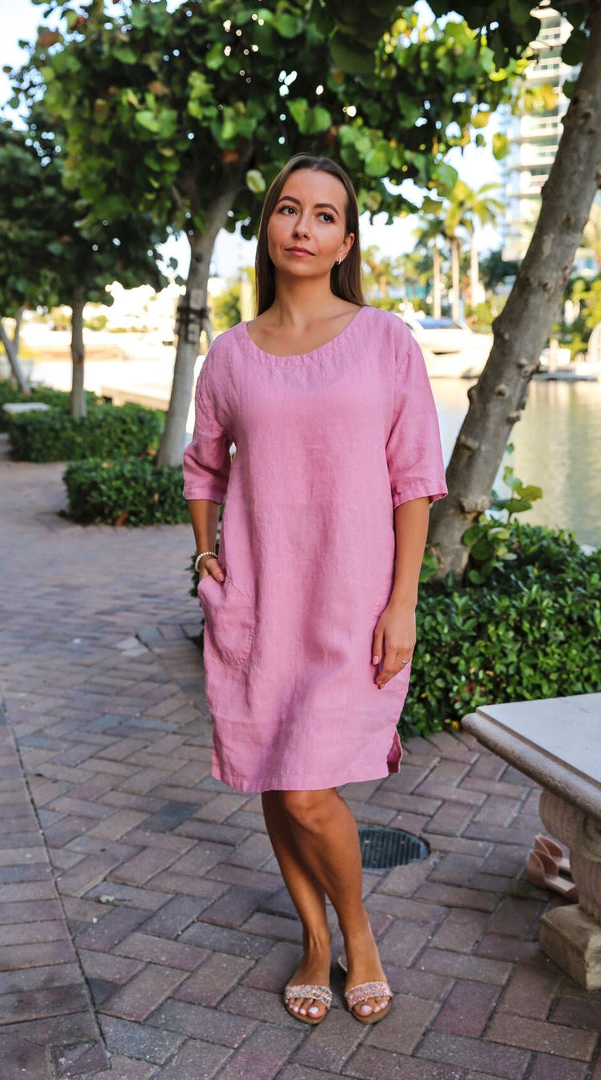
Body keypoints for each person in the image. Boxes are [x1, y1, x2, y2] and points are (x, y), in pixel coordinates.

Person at [182, 154, 446, 1027]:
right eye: (288, 210)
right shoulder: (230, 354)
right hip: (261, 599)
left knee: (306, 790)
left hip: (350, 600)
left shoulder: (386, 341)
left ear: (346, 238)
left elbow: (416, 479)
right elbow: (202, 463)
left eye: (323, 214)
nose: (302, 226)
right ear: (268, 228)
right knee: (274, 771)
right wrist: (206, 553)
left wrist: (402, 601)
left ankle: (358, 929)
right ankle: (315, 941)